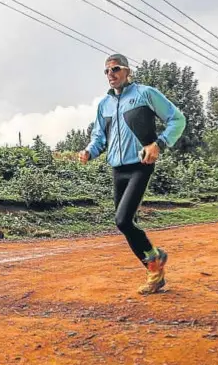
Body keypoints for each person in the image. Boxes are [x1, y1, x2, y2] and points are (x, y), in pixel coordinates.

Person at [79, 53, 186, 295]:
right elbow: (99, 138)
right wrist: (89, 151)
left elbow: (177, 120)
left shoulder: (145, 94)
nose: (110, 75)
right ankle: (155, 260)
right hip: (118, 168)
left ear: (128, 71)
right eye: (106, 71)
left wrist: (158, 144)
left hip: (140, 165)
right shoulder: (103, 105)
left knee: (123, 219)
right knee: (125, 223)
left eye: (115, 69)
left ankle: (154, 270)